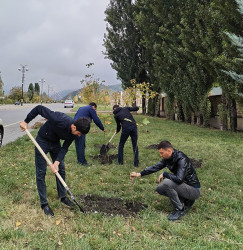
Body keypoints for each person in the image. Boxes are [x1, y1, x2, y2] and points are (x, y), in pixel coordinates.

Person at [20, 105, 91, 217]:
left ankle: (63, 197)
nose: (79, 136)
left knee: (61, 169)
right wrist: (26, 121)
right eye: (79, 133)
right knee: (41, 172)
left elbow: (65, 148)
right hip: (42, 141)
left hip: (55, 143)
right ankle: (44, 204)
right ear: (73, 127)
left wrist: (56, 163)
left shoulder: (73, 134)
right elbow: (39, 108)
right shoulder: (58, 118)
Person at [130, 140, 201, 221]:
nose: (160, 155)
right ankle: (186, 199)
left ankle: (180, 210)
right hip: (185, 187)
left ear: (169, 151)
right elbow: (156, 167)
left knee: (167, 183)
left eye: (162, 153)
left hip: (194, 190)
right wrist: (139, 174)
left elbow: (179, 179)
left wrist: (165, 174)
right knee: (160, 188)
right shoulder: (169, 158)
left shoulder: (181, 159)